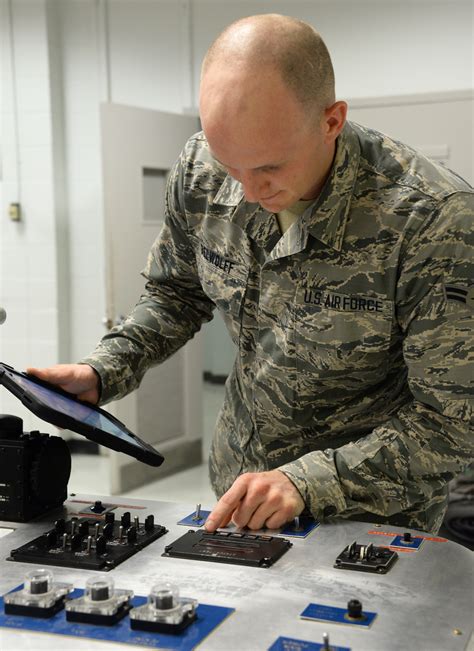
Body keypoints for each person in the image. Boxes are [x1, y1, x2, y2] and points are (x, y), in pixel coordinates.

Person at [28, 14, 473, 534]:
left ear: (331, 121)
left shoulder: (432, 219)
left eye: (269, 168)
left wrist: (308, 482)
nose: (247, 191)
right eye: (230, 165)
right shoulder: (201, 167)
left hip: (370, 514)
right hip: (238, 494)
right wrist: (105, 368)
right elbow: (176, 294)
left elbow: (452, 422)